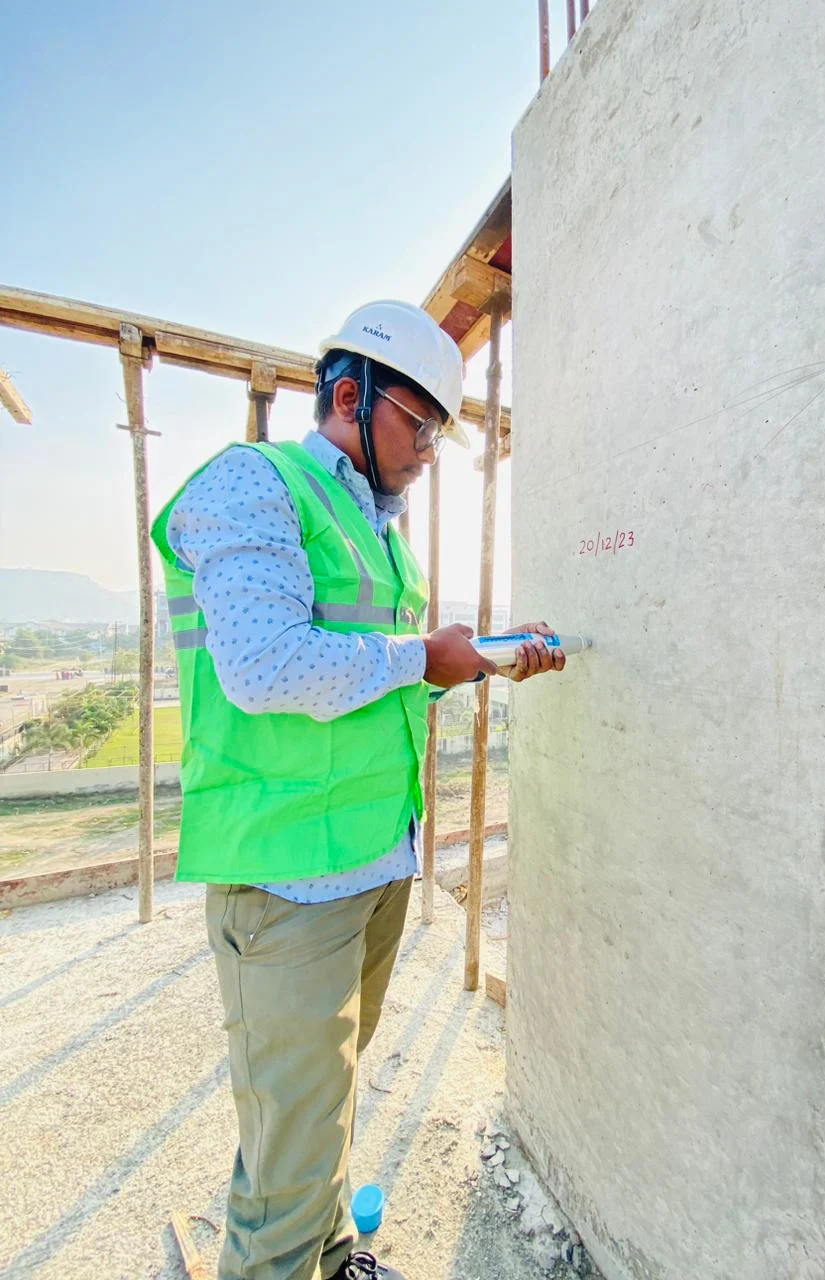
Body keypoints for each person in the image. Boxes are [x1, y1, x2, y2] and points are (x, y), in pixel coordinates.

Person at [151, 301, 565, 1280]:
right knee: (289, 1150)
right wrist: (426, 652)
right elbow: (264, 664)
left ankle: (332, 1254)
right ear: (350, 396)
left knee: (321, 1108)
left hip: (372, 860)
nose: (428, 451)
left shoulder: (377, 531)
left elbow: (376, 666)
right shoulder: (253, 486)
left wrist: (471, 657)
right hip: (288, 877)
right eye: (418, 426)